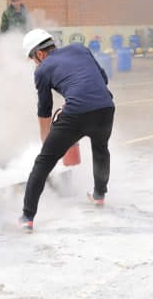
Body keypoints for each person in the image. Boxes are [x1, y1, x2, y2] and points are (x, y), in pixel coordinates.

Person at [18, 29, 115, 232]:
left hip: (76, 115)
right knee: (100, 148)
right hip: (106, 107)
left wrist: (46, 141)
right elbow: (103, 78)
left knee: (43, 163)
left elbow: (44, 110)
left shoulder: (42, 70)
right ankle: (99, 195)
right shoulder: (80, 48)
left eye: (33, 59)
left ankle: (27, 217)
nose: (35, 64)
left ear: (40, 54)